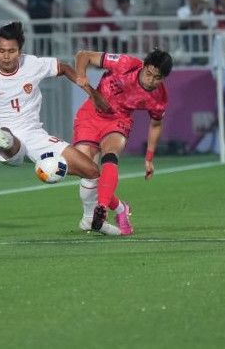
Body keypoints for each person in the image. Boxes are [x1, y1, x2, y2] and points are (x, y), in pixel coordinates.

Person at [0, 22, 121, 235]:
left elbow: (63, 67)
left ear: (20, 51)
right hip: (7, 136)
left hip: (36, 136)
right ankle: (0, 137)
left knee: (92, 171)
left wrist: (88, 89)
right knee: (8, 140)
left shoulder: (32, 64)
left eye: (11, 51)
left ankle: (88, 219)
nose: (6, 56)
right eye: (1, 51)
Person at [72, 48, 173, 235]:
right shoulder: (125, 64)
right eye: (148, 74)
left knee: (111, 154)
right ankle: (120, 209)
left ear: (164, 78)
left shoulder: (160, 98)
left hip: (119, 120)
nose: (150, 81)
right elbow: (83, 55)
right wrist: (81, 76)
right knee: (88, 172)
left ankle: (100, 208)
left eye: (157, 78)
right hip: (90, 114)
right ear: (143, 66)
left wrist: (149, 157)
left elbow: (156, 124)